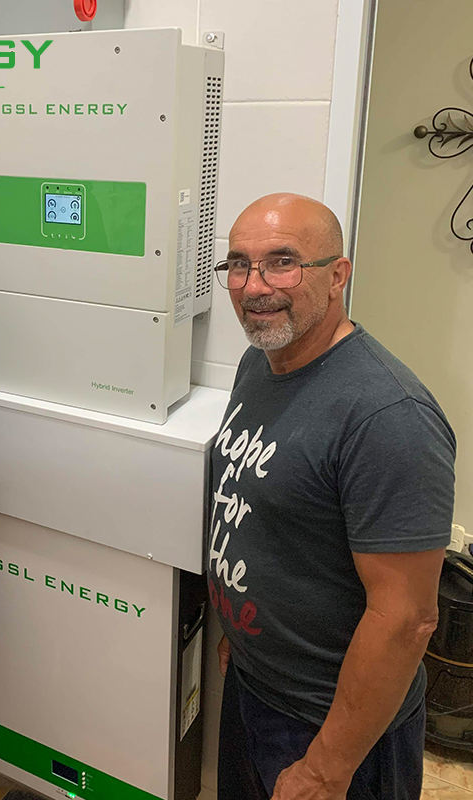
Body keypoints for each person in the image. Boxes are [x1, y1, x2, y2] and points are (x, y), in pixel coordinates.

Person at [209, 193, 455, 800]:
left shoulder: (387, 416)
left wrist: (326, 767)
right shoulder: (260, 363)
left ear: (337, 275)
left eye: (282, 262)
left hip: (330, 725)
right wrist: (243, 629)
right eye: (238, 265)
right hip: (255, 683)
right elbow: (269, 515)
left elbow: (407, 618)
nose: (254, 286)